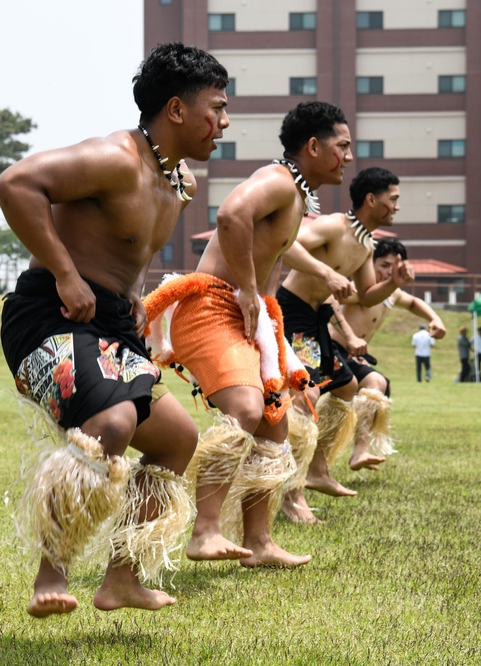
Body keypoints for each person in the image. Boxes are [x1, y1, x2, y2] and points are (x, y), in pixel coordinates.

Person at [0, 42, 229, 616]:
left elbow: (127, 251)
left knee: (178, 440)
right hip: (52, 313)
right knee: (113, 421)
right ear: (176, 110)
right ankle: (51, 571)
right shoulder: (115, 157)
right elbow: (15, 184)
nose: (223, 122)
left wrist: (137, 305)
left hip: (112, 325)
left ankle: (122, 578)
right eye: (216, 108)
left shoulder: (177, 182)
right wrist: (67, 275)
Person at [144, 101, 350, 560]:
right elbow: (230, 216)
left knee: (274, 425)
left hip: (253, 316)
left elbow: (275, 246)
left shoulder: (294, 198)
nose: (349, 157)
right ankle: (206, 531)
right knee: (245, 406)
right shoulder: (278, 182)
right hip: (214, 305)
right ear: (313, 147)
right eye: (343, 146)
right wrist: (249, 291)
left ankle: (258, 542)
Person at [277, 166, 413, 510]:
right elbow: (284, 244)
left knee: (346, 386)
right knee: (304, 395)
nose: (397, 206)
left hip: (314, 317)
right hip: (292, 311)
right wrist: (324, 272)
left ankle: (317, 469)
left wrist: (394, 282)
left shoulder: (366, 244)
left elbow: (367, 295)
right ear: (372, 199)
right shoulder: (335, 226)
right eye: (393, 199)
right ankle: (292, 493)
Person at [329, 238, 446, 472]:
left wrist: (435, 319)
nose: (388, 272)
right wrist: (350, 336)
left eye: (394, 267)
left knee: (377, 383)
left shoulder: (393, 294)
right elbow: (328, 301)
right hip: (331, 349)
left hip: (353, 356)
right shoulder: (359, 289)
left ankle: (360, 450)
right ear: (368, 265)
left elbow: (413, 302)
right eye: (383, 265)